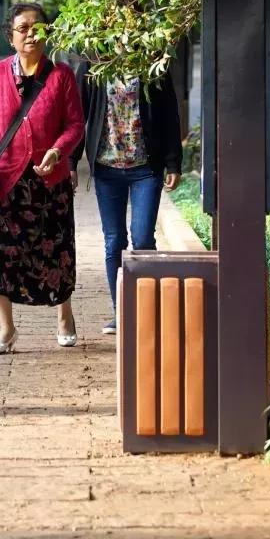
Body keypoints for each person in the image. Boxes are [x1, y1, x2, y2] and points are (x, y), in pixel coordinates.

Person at [0, 2, 84, 353]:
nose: (31, 34)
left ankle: (64, 314)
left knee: (57, 250)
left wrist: (58, 151)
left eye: (37, 28)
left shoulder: (61, 76)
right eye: (23, 28)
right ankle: (6, 329)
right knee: (1, 252)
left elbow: (74, 125)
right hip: (3, 181)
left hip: (48, 180)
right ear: (11, 36)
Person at [72, 58, 183, 336]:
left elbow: (170, 114)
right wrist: (70, 163)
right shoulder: (91, 66)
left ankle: (147, 308)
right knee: (114, 241)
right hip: (107, 166)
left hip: (146, 166)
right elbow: (77, 116)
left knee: (143, 237)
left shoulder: (152, 64)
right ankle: (120, 310)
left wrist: (173, 163)